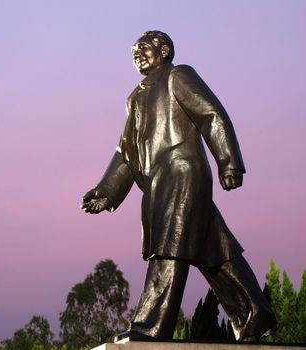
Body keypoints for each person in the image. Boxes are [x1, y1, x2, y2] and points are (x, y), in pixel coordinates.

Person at [81, 31, 275, 341]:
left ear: (165, 50)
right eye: (133, 51)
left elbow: (211, 114)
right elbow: (126, 152)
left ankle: (151, 325)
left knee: (168, 245)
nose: (136, 54)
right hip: (158, 180)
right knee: (215, 250)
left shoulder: (177, 75)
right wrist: (105, 191)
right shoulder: (135, 97)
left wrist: (229, 161)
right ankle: (255, 312)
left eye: (143, 47)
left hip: (182, 171)